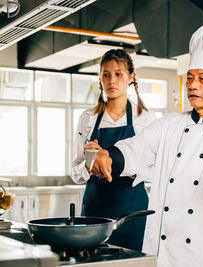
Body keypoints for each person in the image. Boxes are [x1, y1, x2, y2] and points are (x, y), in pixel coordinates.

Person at [91, 24, 203, 267]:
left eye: (202, 79)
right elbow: (137, 147)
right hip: (164, 253)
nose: (193, 85)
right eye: (190, 78)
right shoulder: (169, 125)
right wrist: (110, 155)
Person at [71, 49, 156, 251]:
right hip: (96, 209)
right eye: (106, 75)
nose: (112, 81)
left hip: (132, 209)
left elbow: (154, 170)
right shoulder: (88, 118)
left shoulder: (144, 118)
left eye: (118, 74)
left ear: (130, 78)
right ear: (100, 79)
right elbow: (75, 173)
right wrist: (89, 163)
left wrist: (127, 165)